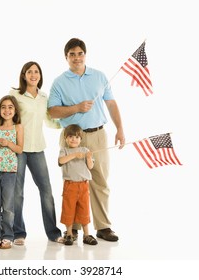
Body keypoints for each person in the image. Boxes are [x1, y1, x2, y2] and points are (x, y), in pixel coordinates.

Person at [48, 38, 125, 242]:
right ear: (66, 57)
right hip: (72, 138)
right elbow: (53, 111)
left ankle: (103, 227)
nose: (76, 57)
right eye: (72, 54)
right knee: (73, 182)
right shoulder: (59, 82)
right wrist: (76, 108)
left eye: (80, 53)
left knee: (100, 180)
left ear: (85, 54)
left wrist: (120, 129)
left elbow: (111, 104)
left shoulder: (99, 77)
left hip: (98, 135)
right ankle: (71, 229)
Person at [0, 61, 64, 244]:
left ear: (40, 76)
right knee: (17, 193)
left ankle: (53, 233)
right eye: (30, 72)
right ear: (24, 75)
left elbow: (49, 120)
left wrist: (65, 125)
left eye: (36, 72)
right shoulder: (15, 95)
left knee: (46, 191)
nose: (33, 75)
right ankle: (19, 233)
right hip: (18, 150)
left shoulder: (44, 97)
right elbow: (5, 115)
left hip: (38, 149)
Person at [0, 95, 24, 250]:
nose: (6, 110)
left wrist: (8, 143)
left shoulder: (18, 127)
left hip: (9, 171)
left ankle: (7, 236)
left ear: (15, 110)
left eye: (10, 107)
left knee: (7, 206)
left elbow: (20, 149)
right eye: (3, 107)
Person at [58, 124, 98, 246]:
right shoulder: (64, 150)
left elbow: (90, 166)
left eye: (76, 137)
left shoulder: (85, 150)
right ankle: (69, 234)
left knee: (84, 210)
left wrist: (89, 158)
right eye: (70, 136)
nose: (73, 139)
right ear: (65, 138)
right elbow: (61, 161)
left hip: (83, 186)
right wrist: (75, 155)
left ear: (80, 139)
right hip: (70, 186)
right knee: (68, 210)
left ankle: (86, 235)